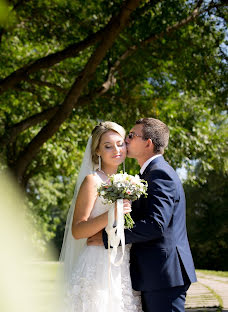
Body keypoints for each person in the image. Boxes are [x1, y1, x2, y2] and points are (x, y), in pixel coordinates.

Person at [88, 118, 197, 312]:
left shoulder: (159, 174)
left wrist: (108, 238)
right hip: (155, 275)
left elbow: (155, 225)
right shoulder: (148, 174)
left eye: (131, 135)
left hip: (164, 275)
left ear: (148, 143)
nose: (126, 140)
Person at [59, 121, 142, 312]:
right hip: (98, 263)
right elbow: (78, 230)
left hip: (124, 262)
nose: (116, 150)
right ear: (97, 150)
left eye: (120, 144)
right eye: (108, 146)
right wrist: (110, 214)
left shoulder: (132, 181)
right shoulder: (92, 181)